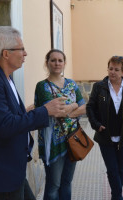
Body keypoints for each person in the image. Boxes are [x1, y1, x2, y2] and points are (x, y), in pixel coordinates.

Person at [0, 26, 68, 200]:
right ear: (6, 53)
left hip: (13, 169)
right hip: (1, 176)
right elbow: (5, 125)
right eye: (21, 49)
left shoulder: (5, 77)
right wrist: (45, 111)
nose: (25, 53)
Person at [86, 56, 123, 200]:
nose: (113, 72)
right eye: (110, 68)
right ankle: (117, 197)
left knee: (121, 168)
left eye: (117, 69)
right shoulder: (99, 87)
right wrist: (96, 125)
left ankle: (115, 196)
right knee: (112, 169)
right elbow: (90, 107)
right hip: (105, 135)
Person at [34, 49, 86, 200]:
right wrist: (73, 105)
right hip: (53, 143)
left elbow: (85, 107)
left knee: (67, 183)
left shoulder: (71, 84)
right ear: (47, 63)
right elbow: (56, 112)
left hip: (72, 140)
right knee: (53, 185)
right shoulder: (42, 86)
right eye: (53, 60)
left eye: (60, 60)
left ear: (64, 63)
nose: (57, 63)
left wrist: (70, 108)